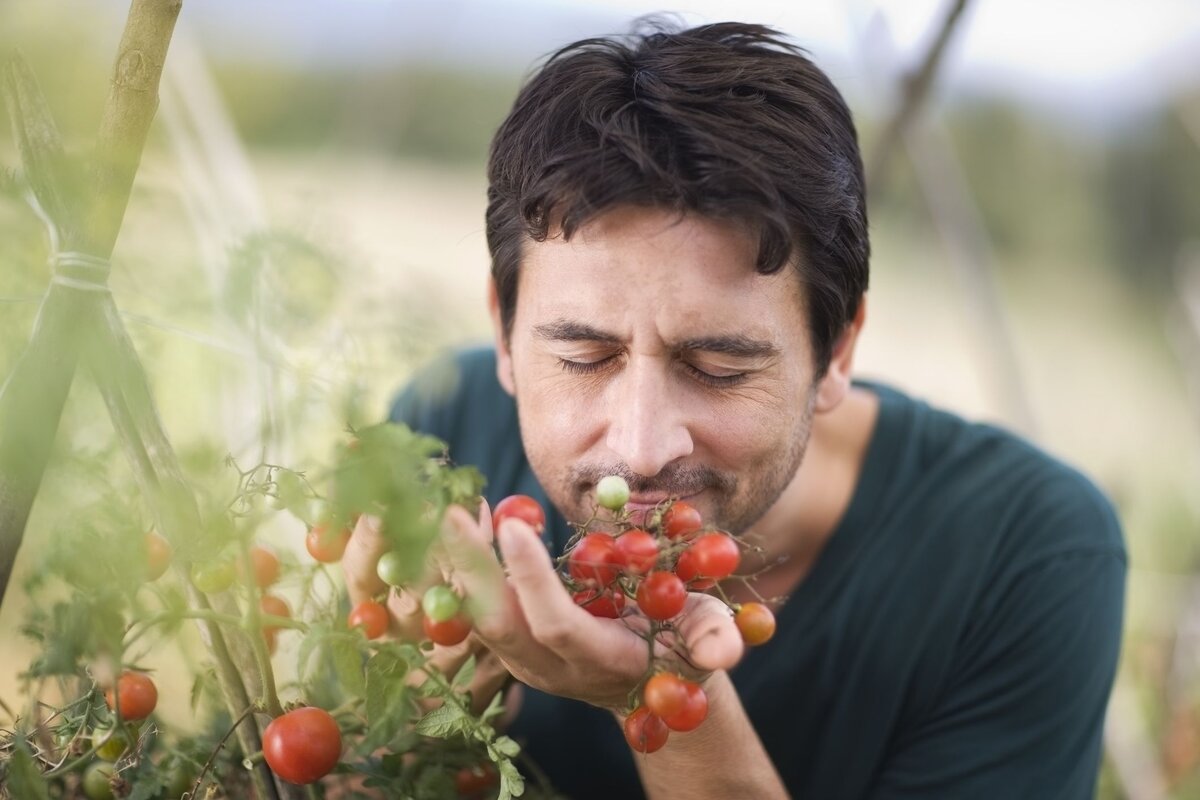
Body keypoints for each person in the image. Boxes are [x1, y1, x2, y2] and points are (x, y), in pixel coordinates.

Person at [343, 20, 1126, 799]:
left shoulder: (1023, 556)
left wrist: (661, 698)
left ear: (837, 351)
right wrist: (403, 722)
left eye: (717, 369)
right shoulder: (446, 434)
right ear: (505, 335)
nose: (641, 447)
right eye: (584, 358)